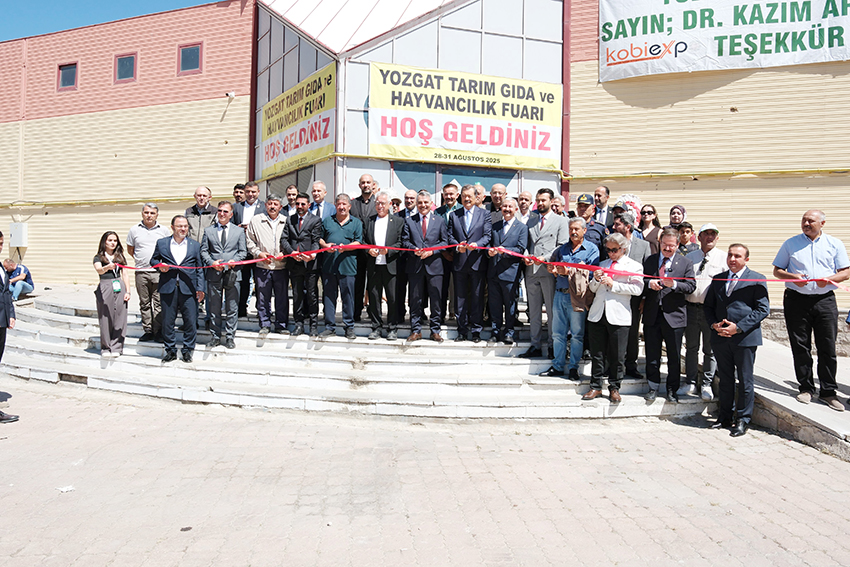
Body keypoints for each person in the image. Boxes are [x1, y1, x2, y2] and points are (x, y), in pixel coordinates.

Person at [773, 209, 850, 411]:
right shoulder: (791, 243)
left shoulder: (835, 244)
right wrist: (792, 276)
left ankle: (828, 392)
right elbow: (777, 270)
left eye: (811, 221)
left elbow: (846, 272)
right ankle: (806, 388)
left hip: (825, 300)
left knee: (827, 347)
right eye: (804, 220)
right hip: (796, 300)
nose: (806, 223)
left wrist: (829, 280)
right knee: (800, 346)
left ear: (822, 223)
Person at [705, 243, 770, 437]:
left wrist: (738, 327)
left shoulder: (757, 279)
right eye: (730, 255)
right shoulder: (718, 279)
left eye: (737, 256)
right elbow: (708, 307)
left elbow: (762, 309)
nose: (732, 259)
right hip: (720, 338)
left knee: (745, 380)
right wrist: (713, 324)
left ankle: (742, 419)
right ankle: (725, 416)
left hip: (744, 339)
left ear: (746, 259)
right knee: (724, 379)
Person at [583, 233, 644, 402]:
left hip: (619, 315)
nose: (611, 253)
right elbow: (594, 289)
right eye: (608, 250)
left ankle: (614, 387)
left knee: (617, 355)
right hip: (598, 313)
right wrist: (595, 280)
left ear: (623, 249)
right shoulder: (602, 264)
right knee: (597, 353)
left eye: (614, 250)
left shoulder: (633, 266)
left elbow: (638, 289)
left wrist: (614, 284)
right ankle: (595, 386)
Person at [539, 217, 600, 380]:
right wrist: (552, 268)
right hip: (560, 293)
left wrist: (569, 271)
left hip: (578, 296)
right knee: (558, 333)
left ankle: (573, 367)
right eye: (571, 229)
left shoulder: (592, 249)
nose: (573, 232)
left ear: (584, 231)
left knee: (577, 334)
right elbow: (551, 264)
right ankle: (557, 366)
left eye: (576, 229)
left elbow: (593, 273)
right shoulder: (562, 249)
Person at [642, 228, 697, 402]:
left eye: (671, 246)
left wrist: (674, 285)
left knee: (674, 356)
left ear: (678, 245)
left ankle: (672, 389)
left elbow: (691, 286)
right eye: (664, 244)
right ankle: (653, 386)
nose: (667, 248)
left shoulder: (686, 263)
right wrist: (649, 283)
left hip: (674, 317)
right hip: (652, 315)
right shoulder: (650, 261)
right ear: (660, 243)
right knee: (652, 355)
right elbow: (639, 281)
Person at [518, 188, 568, 359]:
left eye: (543, 200)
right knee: (533, 311)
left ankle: (554, 345)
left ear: (551, 201)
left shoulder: (561, 221)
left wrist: (545, 258)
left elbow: (562, 245)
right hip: (531, 271)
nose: (540, 203)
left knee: (553, 312)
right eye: (538, 200)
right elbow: (524, 241)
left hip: (548, 271)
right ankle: (535, 344)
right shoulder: (530, 220)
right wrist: (524, 254)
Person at [151, 215, 206, 363]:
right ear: (172, 227)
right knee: (168, 321)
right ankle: (170, 350)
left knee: (190, 321)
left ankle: (188, 350)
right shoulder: (162, 243)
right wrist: (159, 266)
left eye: (186, 226)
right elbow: (153, 260)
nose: (183, 229)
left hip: (189, 288)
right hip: (168, 288)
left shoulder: (194, 245)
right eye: (180, 226)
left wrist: (201, 288)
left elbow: (200, 268)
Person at [682, 223, 726, 400]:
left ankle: (706, 383)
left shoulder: (724, 258)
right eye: (705, 234)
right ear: (698, 237)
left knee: (710, 349)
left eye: (713, 234)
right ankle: (690, 381)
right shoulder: (689, 257)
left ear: (717, 237)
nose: (709, 237)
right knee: (691, 347)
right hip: (691, 308)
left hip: (711, 312)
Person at [402, 190, 448, 342]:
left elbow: (444, 242)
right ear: (416, 203)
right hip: (415, 266)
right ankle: (416, 330)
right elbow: (405, 241)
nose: (423, 205)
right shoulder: (409, 220)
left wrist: (432, 251)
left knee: (436, 299)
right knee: (415, 300)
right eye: (420, 202)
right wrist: (413, 249)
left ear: (431, 204)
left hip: (434, 266)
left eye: (426, 202)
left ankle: (435, 330)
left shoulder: (439, 221)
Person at [448, 184, 492, 342]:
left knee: (477, 297)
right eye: (464, 196)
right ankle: (462, 330)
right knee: (460, 298)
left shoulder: (484, 214)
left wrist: (477, 245)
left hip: (477, 262)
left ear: (476, 197)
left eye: (470, 196)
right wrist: (456, 245)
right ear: (460, 197)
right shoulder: (454, 215)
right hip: (460, 263)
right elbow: (450, 236)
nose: (467, 199)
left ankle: (476, 330)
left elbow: (487, 236)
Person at [201, 202, 247, 349]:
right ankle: (215, 336)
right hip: (214, 273)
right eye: (220, 211)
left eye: (225, 211)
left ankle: (229, 337)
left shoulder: (238, 232)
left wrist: (236, 261)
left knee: (232, 308)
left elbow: (243, 252)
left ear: (231, 214)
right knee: (214, 307)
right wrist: (212, 262)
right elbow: (203, 251)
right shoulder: (208, 231)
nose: (222, 213)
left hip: (233, 273)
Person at [612, 212, 651, 379]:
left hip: (634, 297)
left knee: (633, 332)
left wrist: (644, 298)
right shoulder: (611, 243)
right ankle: (613, 365)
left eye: (617, 224)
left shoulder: (643, 245)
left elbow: (648, 273)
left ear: (628, 227)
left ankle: (631, 365)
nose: (614, 227)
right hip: (614, 295)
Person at [319, 194, 362, 340]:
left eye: (344, 204)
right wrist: (325, 245)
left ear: (349, 206)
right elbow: (319, 238)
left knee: (348, 298)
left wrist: (347, 247)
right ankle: (329, 326)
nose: (341, 207)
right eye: (339, 204)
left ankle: (349, 326)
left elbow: (359, 242)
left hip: (348, 266)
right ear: (335, 205)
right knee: (329, 297)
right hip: (329, 266)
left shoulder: (356, 222)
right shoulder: (327, 221)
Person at [246, 194, 289, 337]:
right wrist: (258, 253)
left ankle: (281, 324)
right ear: (265, 205)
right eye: (270, 203)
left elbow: (291, 240)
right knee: (263, 297)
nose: (272, 206)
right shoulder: (256, 221)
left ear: (280, 207)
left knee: (282, 297)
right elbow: (250, 241)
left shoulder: (286, 220)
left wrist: (284, 252)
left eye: (276, 204)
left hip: (281, 266)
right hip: (262, 266)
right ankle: (264, 323)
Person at [364, 191, 405, 340]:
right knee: (374, 298)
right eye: (378, 203)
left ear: (389, 205)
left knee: (392, 298)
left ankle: (392, 327)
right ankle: (376, 327)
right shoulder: (369, 221)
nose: (380, 206)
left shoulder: (398, 221)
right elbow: (363, 241)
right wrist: (369, 249)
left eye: (383, 203)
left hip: (391, 265)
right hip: (374, 265)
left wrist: (388, 251)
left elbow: (401, 243)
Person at [126, 203, 170, 342]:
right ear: (142, 213)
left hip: (158, 273)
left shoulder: (163, 230)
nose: (149, 215)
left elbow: (168, 249)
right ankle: (148, 330)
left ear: (157, 214)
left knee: (158, 303)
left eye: (152, 213)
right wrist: (142, 261)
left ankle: (158, 332)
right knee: (144, 302)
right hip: (141, 272)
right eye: (146, 212)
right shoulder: (134, 230)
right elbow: (130, 249)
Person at [281, 193, 323, 337]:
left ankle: (313, 325)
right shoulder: (290, 219)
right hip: (295, 263)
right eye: (297, 204)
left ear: (308, 205)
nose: (299, 206)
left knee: (312, 295)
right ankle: (298, 324)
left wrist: (312, 254)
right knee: (297, 295)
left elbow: (316, 240)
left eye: (303, 204)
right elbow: (284, 239)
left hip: (310, 263)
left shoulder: (315, 220)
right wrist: (291, 252)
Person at [487, 197, 528, 345]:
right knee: (495, 305)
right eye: (505, 206)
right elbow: (488, 245)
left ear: (516, 209)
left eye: (510, 207)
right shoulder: (495, 226)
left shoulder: (522, 228)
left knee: (510, 305)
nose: (507, 209)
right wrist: (489, 252)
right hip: (493, 272)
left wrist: (504, 251)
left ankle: (509, 332)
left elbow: (520, 248)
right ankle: (495, 331)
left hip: (510, 273)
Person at [93, 231, 132, 358]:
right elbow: (98, 269)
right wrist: (106, 268)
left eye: (115, 240)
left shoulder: (120, 257)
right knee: (105, 316)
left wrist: (128, 291)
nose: (113, 243)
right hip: (105, 285)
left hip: (118, 285)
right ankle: (106, 347)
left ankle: (117, 346)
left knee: (120, 316)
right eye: (110, 240)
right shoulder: (99, 257)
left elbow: (125, 274)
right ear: (104, 242)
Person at [234, 181, 264, 318]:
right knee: (243, 280)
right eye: (248, 192)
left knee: (260, 281)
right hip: (242, 249)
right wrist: (239, 228)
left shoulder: (264, 207)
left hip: (259, 249)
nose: (250, 194)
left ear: (258, 192)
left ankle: (261, 309)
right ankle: (241, 308)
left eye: (253, 192)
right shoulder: (236, 207)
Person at [350, 174, 378, 323]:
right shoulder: (353, 204)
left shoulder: (378, 203)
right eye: (363, 182)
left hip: (374, 251)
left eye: (368, 182)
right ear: (359, 185)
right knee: (357, 283)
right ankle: (356, 314)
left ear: (373, 185)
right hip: (356, 251)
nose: (366, 184)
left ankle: (373, 314)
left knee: (373, 284)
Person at [0, 231, 18, 424]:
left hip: (2, 321)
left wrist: (11, 314)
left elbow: (6, 292)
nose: (0, 246)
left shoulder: (1, 267)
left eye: (1, 243)